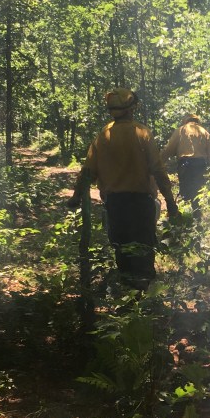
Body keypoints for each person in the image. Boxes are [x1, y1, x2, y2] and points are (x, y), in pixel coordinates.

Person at [67, 88, 179, 291]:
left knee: (122, 250)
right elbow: (158, 169)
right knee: (144, 248)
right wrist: (170, 201)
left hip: (116, 204)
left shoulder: (103, 135)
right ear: (132, 109)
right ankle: (143, 299)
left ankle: (127, 297)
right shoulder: (142, 133)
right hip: (141, 202)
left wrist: (76, 196)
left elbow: (88, 171)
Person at [161, 114, 210, 214]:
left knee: (186, 192)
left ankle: (186, 220)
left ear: (185, 121)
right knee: (197, 192)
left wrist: (156, 165)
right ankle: (197, 216)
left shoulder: (181, 130)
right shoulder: (204, 132)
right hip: (200, 165)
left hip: (185, 164)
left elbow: (167, 150)